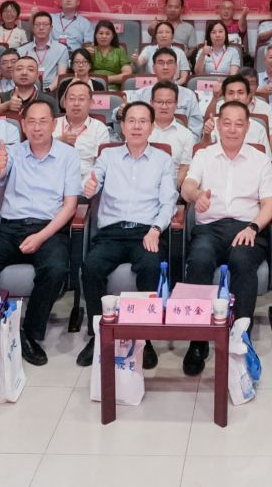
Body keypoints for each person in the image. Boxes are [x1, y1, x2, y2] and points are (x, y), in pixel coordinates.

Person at [0, 100, 78, 366]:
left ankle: (29, 334)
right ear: (23, 125)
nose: (37, 128)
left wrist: (41, 236)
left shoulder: (68, 155)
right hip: (10, 228)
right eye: (31, 122)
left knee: (56, 269)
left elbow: (70, 206)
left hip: (48, 229)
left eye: (43, 121)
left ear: (54, 124)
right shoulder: (12, 151)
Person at [73, 101, 177, 369]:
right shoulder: (108, 156)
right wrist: (89, 187)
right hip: (111, 232)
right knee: (91, 267)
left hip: (146, 231)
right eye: (131, 121)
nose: (137, 126)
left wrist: (156, 229)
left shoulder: (163, 160)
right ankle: (98, 335)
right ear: (122, 126)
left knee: (151, 265)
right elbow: (91, 184)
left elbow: (168, 203)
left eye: (143, 121)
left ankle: (145, 337)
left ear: (151, 127)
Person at [178, 101, 272, 376]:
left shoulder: (259, 159)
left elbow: (269, 204)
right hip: (210, 228)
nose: (232, 129)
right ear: (218, 125)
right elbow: (187, 186)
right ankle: (198, 341)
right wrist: (197, 195)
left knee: (242, 260)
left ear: (247, 127)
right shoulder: (204, 155)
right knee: (199, 260)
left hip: (247, 227)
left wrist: (253, 228)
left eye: (239, 124)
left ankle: (240, 335)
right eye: (227, 123)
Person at [53, 79, 109, 171]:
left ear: (91, 103)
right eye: (72, 99)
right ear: (64, 103)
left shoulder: (99, 128)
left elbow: (102, 166)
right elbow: (39, 152)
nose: (76, 103)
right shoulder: (52, 125)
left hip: (85, 177)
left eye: (81, 99)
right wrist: (59, 141)